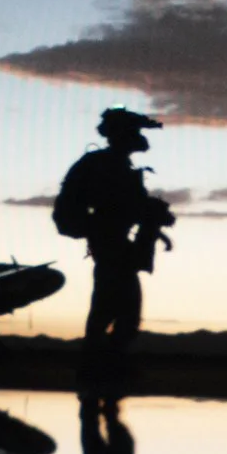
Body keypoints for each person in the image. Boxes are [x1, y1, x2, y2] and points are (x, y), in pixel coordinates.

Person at [53, 107, 174, 371]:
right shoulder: (106, 165)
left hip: (113, 243)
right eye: (133, 132)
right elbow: (119, 204)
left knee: (116, 309)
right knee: (115, 309)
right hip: (110, 244)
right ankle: (98, 370)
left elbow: (129, 205)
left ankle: (101, 369)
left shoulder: (114, 164)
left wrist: (156, 226)